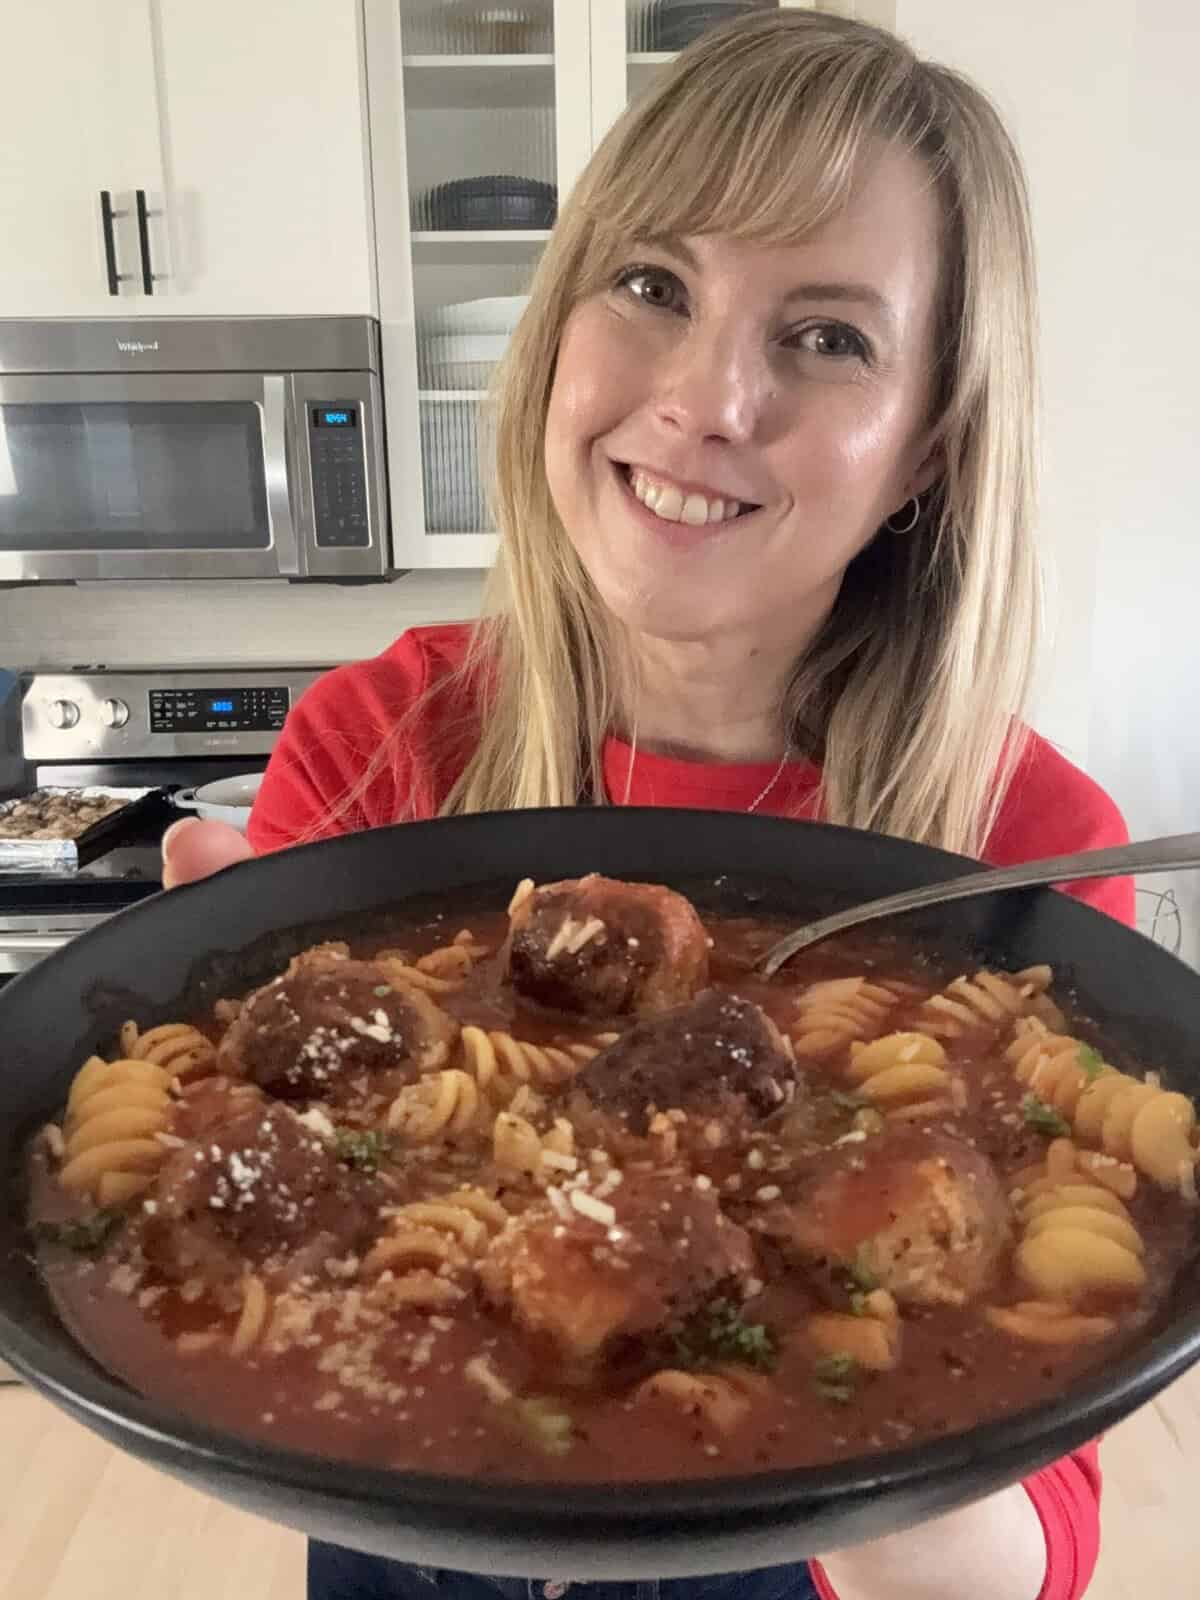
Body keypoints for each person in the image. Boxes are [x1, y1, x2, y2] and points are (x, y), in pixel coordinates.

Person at [160, 11, 1130, 1598]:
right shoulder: (377, 740)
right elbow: (269, 1333)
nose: (704, 400)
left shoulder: (1033, 850)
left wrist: (847, 1336)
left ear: (928, 452)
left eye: (828, 338)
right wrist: (199, 1096)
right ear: (559, 326)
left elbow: (1031, 1555)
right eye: (654, 286)